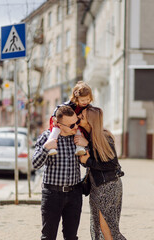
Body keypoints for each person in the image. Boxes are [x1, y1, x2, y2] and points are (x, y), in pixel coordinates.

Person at [74, 105, 126, 240]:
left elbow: (112, 164)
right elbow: (86, 160)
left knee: (108, 228)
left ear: (91, 121)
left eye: (83, 116)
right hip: (96, 187)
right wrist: (86, 154)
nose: (79, 117)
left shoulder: (104, 136)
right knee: (97, 228)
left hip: (108, 186)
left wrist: (88, 159)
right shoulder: (89, 137)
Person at [32, 106, 83, 240]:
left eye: (76, 122)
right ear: (59, 124)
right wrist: (45, 148)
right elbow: (35, 164)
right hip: (52, 195)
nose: (76, 126)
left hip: (74, 194)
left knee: (71, 237)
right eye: (72, 125)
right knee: (48, 237)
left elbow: (85, 162)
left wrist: (86, 145)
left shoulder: (78, 138)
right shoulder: (46, 137)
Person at [48, 81, 93, 156]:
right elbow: (59, 108)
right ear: (76, 98)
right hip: (63, 122)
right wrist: (54, 117)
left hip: (77, 124)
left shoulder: (88, 106)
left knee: (79, 132)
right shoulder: (70, 104)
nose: (85, 102)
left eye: (88, 99)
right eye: (82, 100)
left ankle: (79, 148)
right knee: (56, 130)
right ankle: (51, 147)